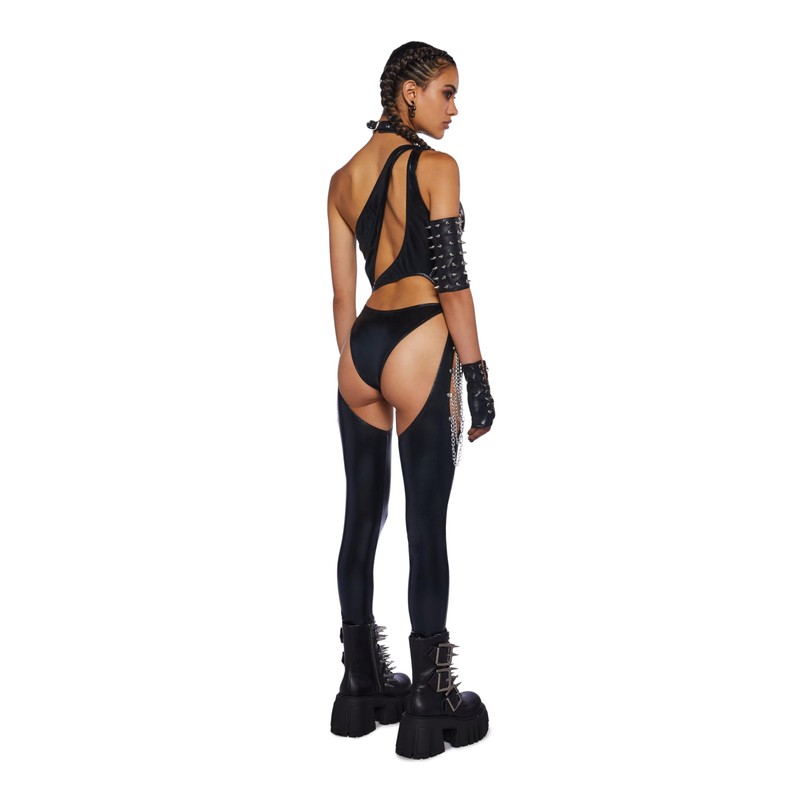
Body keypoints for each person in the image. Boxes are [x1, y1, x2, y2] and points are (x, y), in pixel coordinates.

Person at [327, 41, 495, 759]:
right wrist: (477, 374)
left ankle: (359, 685)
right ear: (409, 93)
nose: (454, 109)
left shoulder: (342, 179)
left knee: (361, 517)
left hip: (360, 348)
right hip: (422, 340)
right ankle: (431, 698)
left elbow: (342, 296)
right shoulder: (437, 167)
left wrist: (353, 363)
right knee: (426, 526)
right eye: (446, 93)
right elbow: (451, 280)